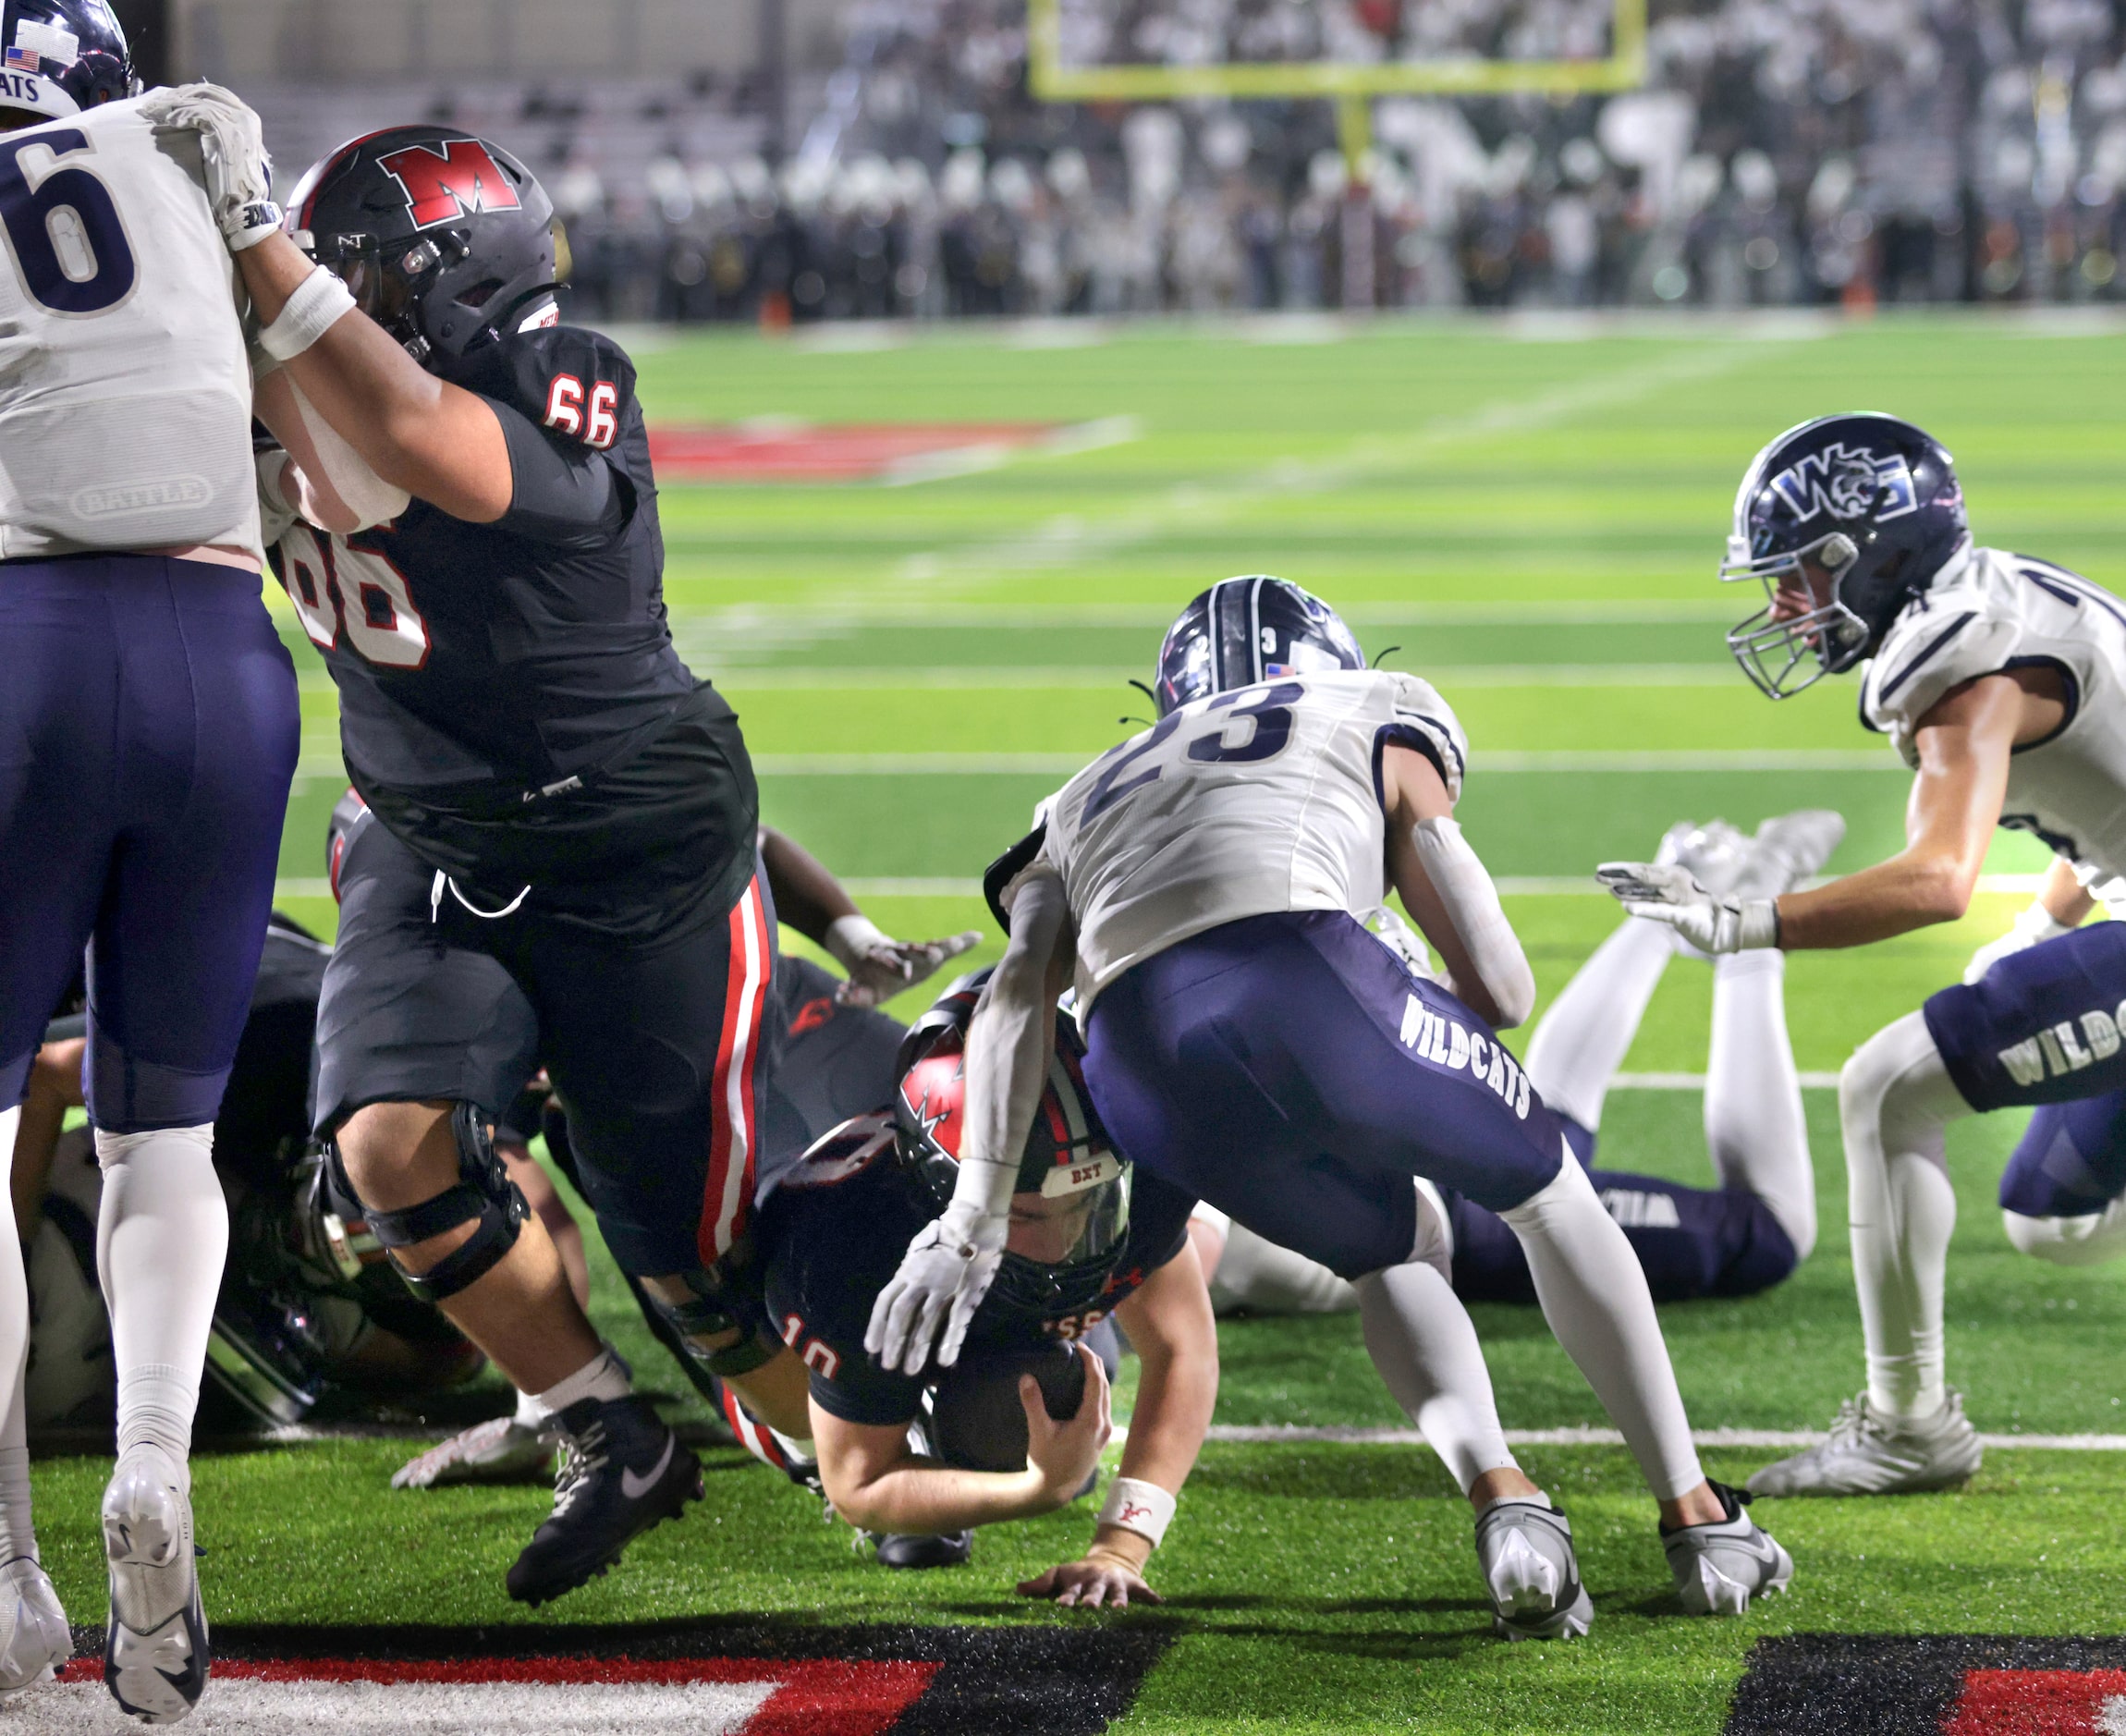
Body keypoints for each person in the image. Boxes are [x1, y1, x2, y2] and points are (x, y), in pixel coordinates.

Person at [868, 576, 1794, 1640]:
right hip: (1306, 974)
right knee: (1547, 1196)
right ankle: (1695, 1516)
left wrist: (973, 1215)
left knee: (1394, 1252)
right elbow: (1500, 991)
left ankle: (1504, 1500)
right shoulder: (1370, 707)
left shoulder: (1070, 799)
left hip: (1134, 1064)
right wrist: (1393, 1004)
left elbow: (1016, 996)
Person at [234, 124, 799, 1606]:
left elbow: (426, 443)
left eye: (362, 266)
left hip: (629, 837)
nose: (329, 290)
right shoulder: (276, 380)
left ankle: (849, 1431)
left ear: (462, 267)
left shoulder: (567, 372)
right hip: (433, 831)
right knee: (384, 1142)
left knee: (689, 1247)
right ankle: (599, 1423)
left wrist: (256, 256)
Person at [1599, 412, 2126, 1498]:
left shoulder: (1964, 670)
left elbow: (1937, 880)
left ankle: (1907, 1425)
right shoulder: (2004, 597)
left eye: (1794, 577)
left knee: (1886, 1088)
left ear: (1867, 552)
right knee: (2054, 1223)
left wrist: (1747, 922)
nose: (1782, 606)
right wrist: (2045, 927)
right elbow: (2100, 806)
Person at [0, 36, 298, 1718]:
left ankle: (7, 1572)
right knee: (158, 1135)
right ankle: (151, 1471)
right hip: (222, 650)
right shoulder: (188, 164)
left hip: (28, 647)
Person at [1193, 813, 1839, 1316]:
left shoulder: (1174, 1127)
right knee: (1549, 1121)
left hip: (1452, 1203)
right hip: (1424, 1161)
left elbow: (1192, 1270)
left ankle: (1746, 932)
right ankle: (1683, 897)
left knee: (1771, 1232)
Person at [755, 978, 1216, 1605]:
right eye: (1024, 1216)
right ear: (944, 1192)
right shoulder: (847, 1247)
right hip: (787, 1106)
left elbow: (1181, 1347)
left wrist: (1121, 1546)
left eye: (1084, 1201)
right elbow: (859, 1487)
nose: (1060, 1247)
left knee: (1055, 1400)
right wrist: (1035, 1490)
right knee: (709, 1292)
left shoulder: (1143, 1168)